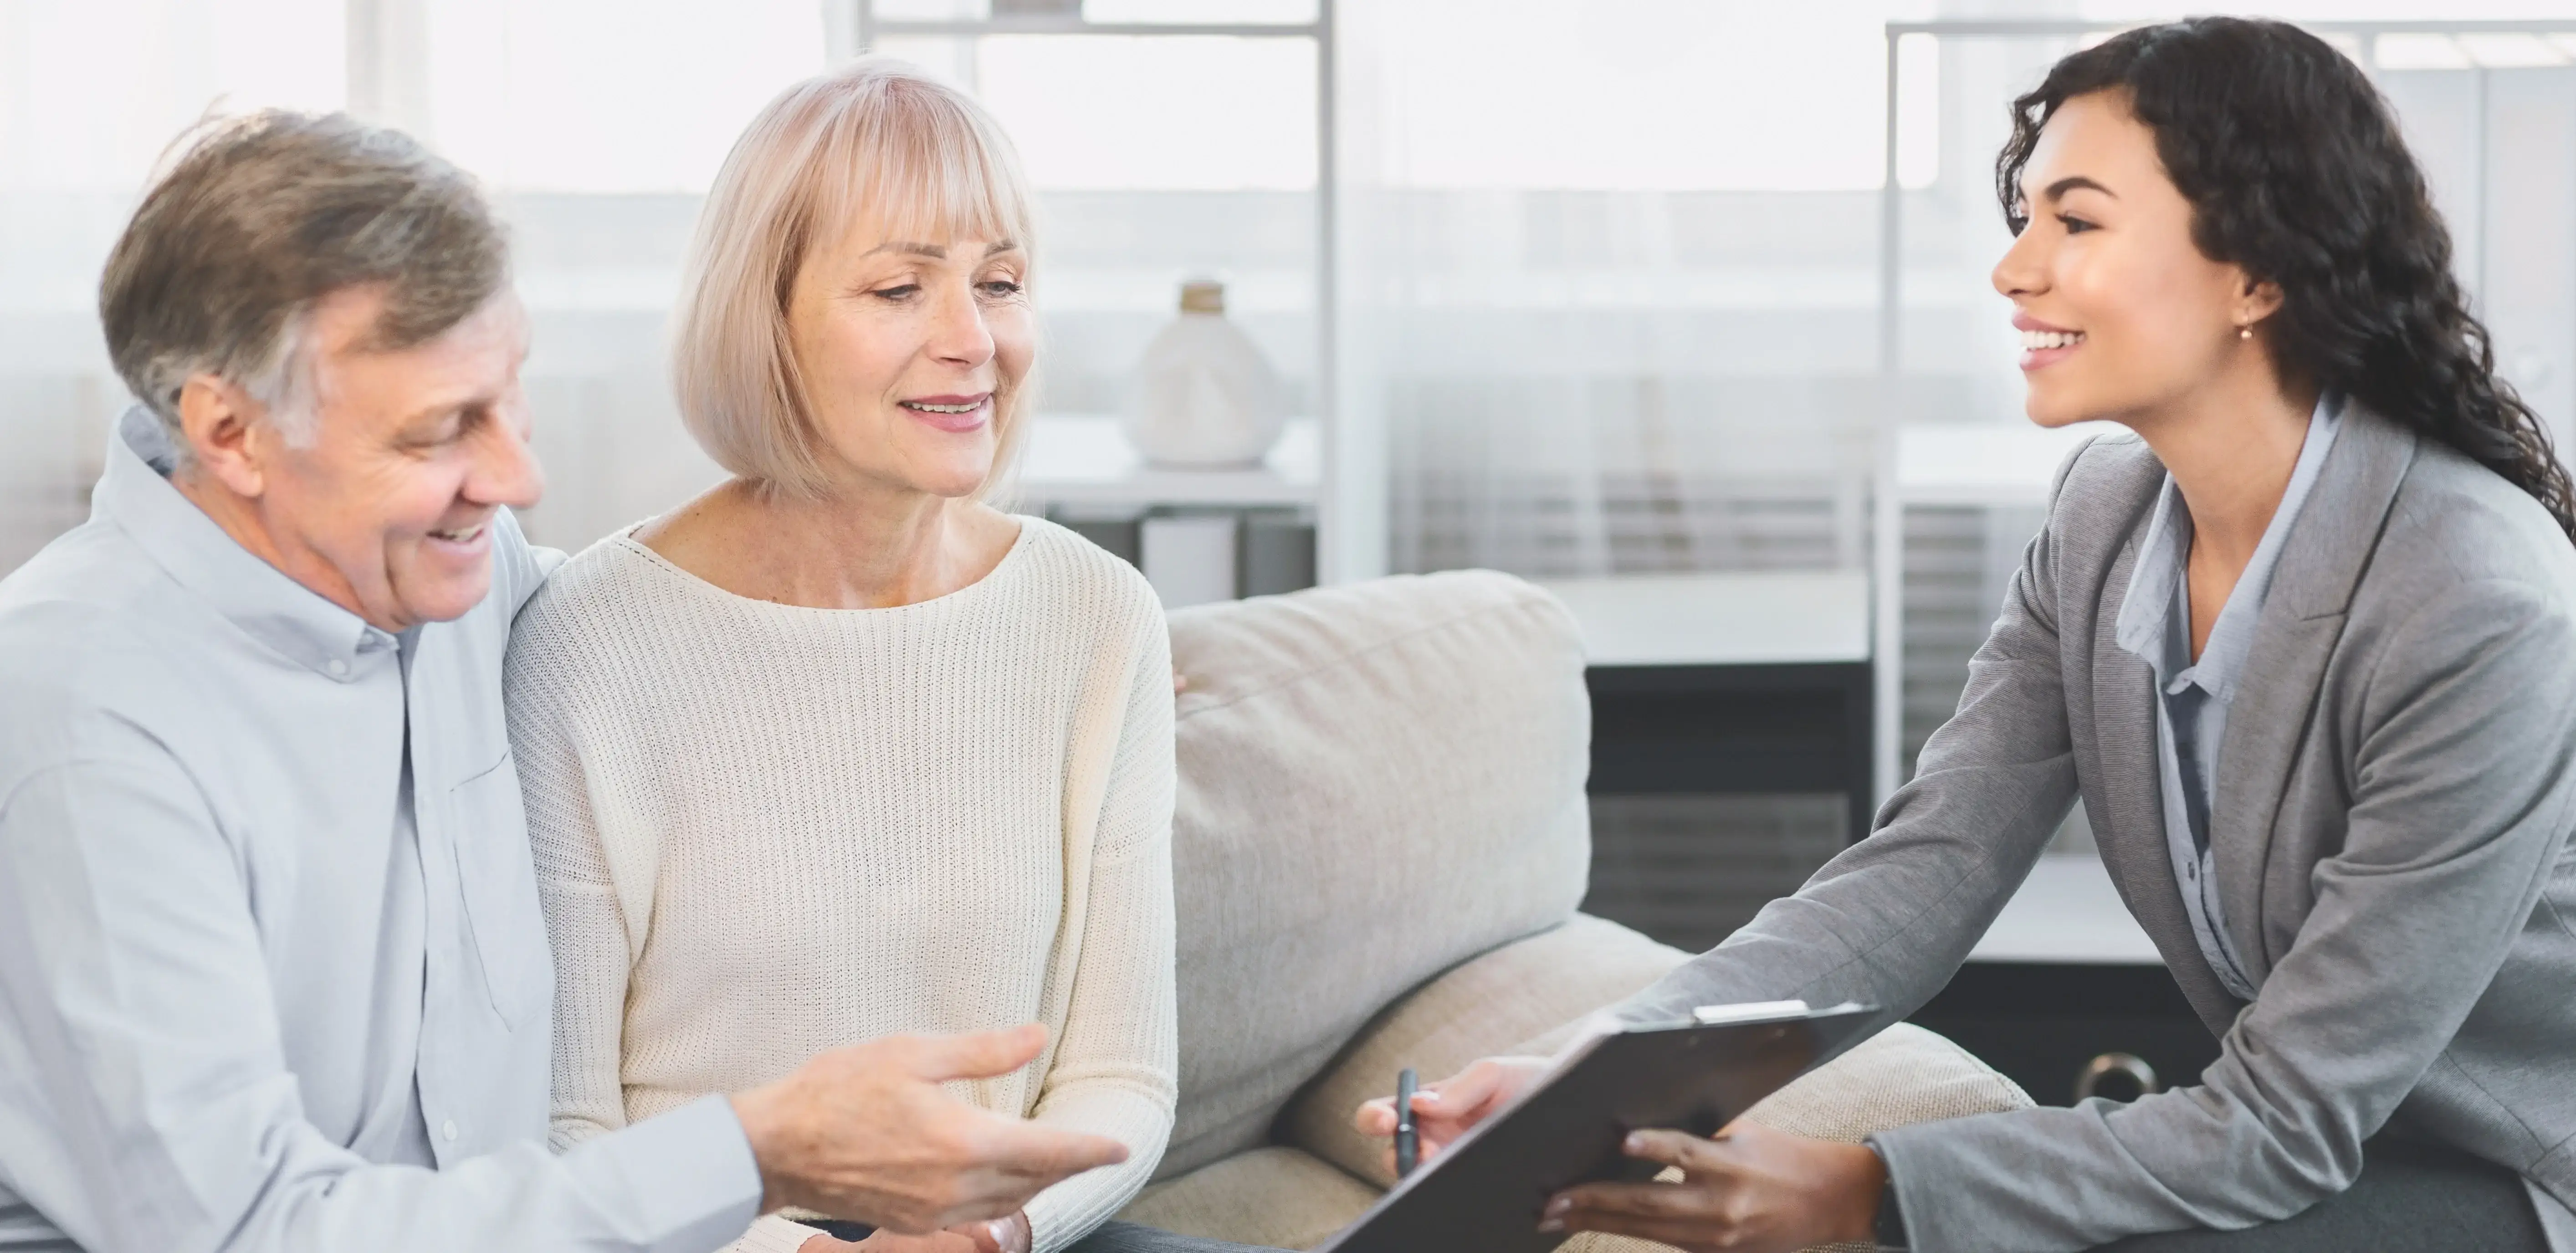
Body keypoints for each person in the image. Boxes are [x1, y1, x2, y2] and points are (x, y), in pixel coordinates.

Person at [1360, 18, 2576, 1253]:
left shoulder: (2471, 596)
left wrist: (1867, 1191)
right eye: (2024, 216)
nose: (2013, 269)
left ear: (2254, 274)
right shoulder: (2102, 520)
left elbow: (2283, 1122)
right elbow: (1928, 863)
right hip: (2337, 1137)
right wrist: (1592, 1077)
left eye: (2077, 220)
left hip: (2517, 1166)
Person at [0, 110, 1131, 1253]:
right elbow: (251, 1231)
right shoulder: (83, 721)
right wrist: (758, 1155)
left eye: (511, 396)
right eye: (443, 429)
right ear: (231, 431)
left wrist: (996, 667)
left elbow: (663, 630)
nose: (518, 475)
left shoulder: (444, 572)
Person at [504, 62, 1262, 1253]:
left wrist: (991, 1236)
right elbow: (562, 1119)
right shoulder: (586, 640)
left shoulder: (1097, 613)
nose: (972, 340)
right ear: (767, 318)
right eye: (899, 287)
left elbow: (1120, 1074)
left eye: (1000, 283)